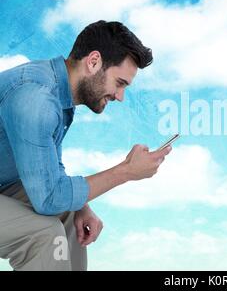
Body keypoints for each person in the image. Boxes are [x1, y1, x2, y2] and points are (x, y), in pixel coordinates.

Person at [0, 20, 172, 271]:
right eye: (120, 83)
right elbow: (48, 198)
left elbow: (49, 170)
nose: (120, 96)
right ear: (93, 62)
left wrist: (81, 205)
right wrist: (125, 171)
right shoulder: (36, 99)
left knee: (71, 216)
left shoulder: (59, 96)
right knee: (44, 233)